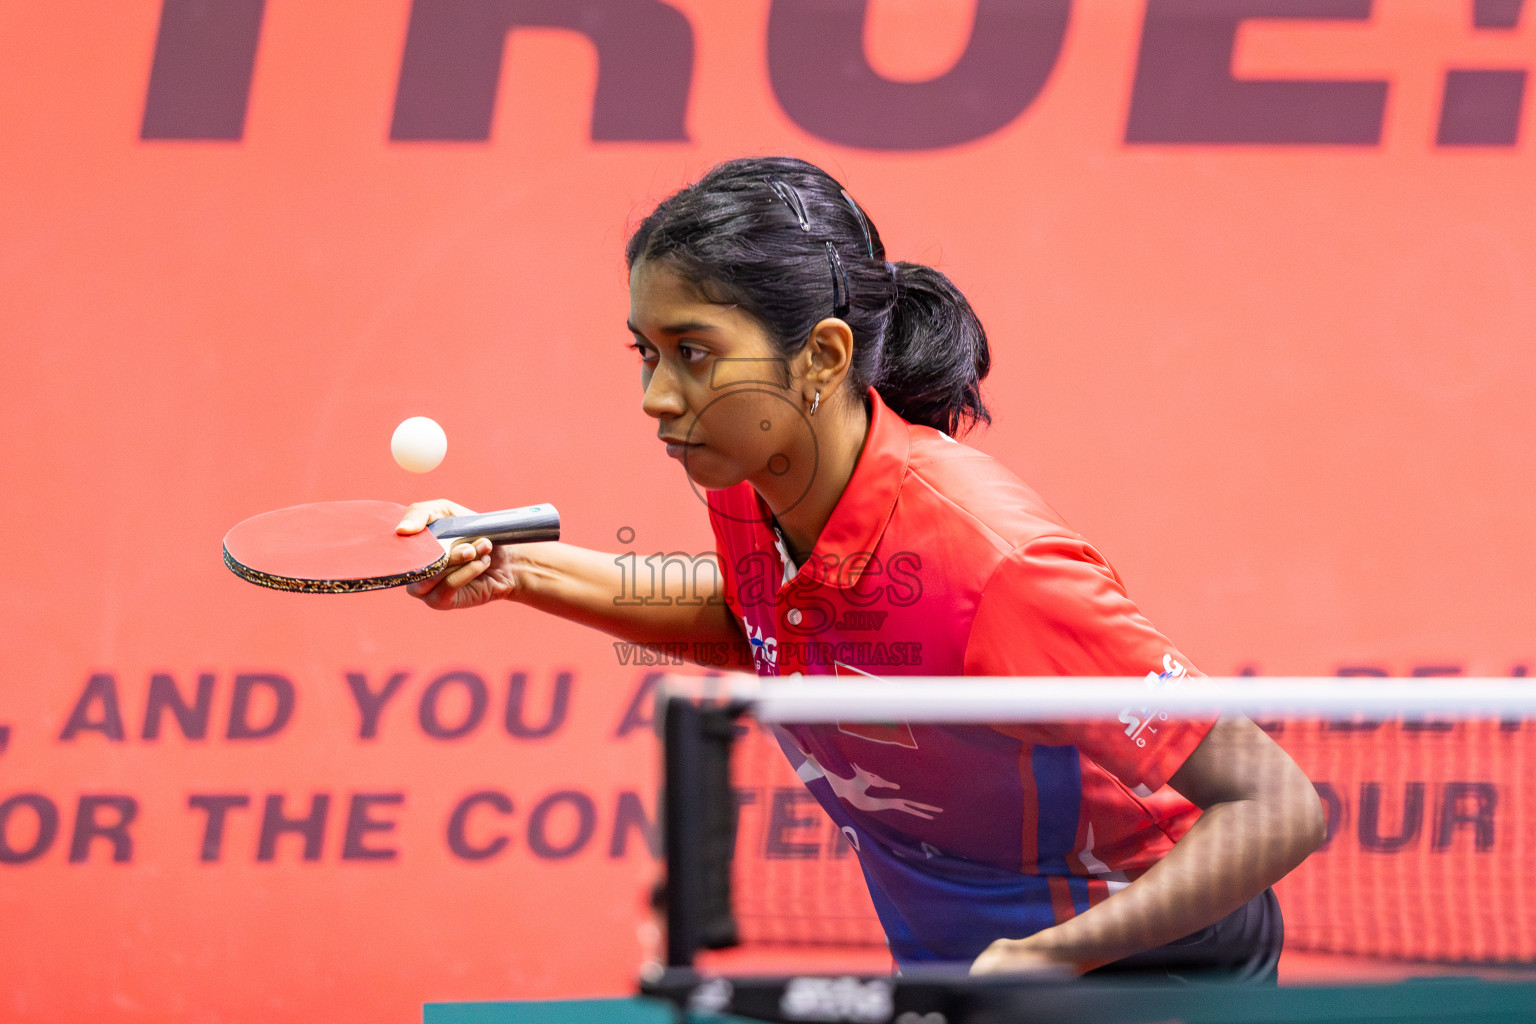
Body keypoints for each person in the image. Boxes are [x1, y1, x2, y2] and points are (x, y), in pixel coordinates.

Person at [397, 156, 1326, 981]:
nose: (655, 397)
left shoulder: (998, 567)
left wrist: (1045, 959)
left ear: (822, 356)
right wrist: (520, 570)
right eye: (645, 352)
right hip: (958, 972)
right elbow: (766, 621)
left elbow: (1275, 804)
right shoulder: (750, 472)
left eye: (692, 353)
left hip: (1134, 964)